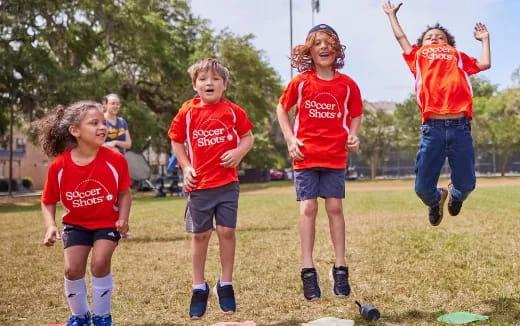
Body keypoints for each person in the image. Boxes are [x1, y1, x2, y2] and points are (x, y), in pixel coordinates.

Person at [383, 1, 491, 226]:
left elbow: (485, 63)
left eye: (440, 36)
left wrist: (485, 40)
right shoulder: (418, 55)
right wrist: (391, 15)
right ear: (421, 44)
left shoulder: (457, 55)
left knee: (468, 184)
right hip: (432, 128)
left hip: (460, 127)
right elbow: (401, 38)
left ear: (449, 43)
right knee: (422, 189)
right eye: (429, 36)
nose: (434, 38)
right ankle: (436, 199)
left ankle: (456, 195)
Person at [276, 24, 363, 301]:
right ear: (309, 51)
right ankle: (308, 269)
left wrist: (353, 134)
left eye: (329, 42)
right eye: (317, 44)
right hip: (306, 155)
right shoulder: (301, 82)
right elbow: (282, 108)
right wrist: (291, 139)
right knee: (309, 207)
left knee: (335, 207)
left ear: (337, 49)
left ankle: (340, 267)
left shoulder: (347, 84)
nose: (323, 47)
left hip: (335, 155)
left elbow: (356, 113)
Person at [167, 58, 254, 319]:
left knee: (227, 232)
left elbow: (248, 137)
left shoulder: (233, 111)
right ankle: (199, 287)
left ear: (224, 85)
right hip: (199, 186)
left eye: (215, 79)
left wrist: (238, 152)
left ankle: (225, 284)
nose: (209, 83)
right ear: (195, 85)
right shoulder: (187, 112)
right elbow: (177, 140)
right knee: (200, 236)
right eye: (203, 79)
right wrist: (185, 167)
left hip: (227, 184)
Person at [37, 101, 132, 326]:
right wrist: (51, 225)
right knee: (72, 269)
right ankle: (79, 317)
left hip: (107, 223)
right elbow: (48, 200)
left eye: (103, 123)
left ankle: (102, 317)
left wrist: (123, 218)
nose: (102, 127)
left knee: (100, 262)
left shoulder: (116, 160)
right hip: (76, 225)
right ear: (75, 131)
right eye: (94, 123)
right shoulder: (59, 166)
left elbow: (125, 194)